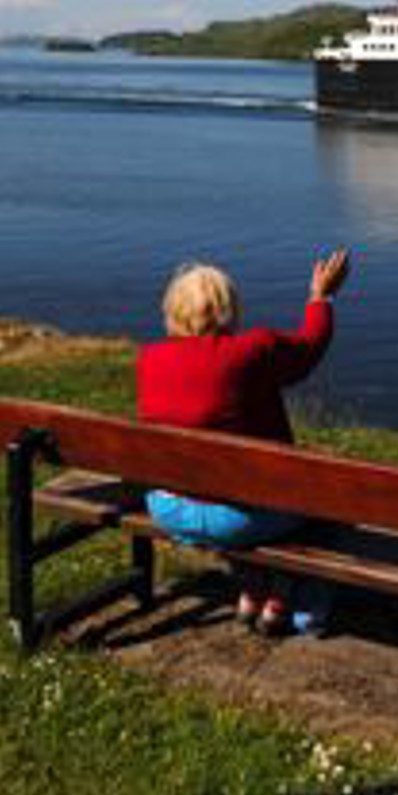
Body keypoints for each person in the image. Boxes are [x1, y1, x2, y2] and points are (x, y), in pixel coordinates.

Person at [137, 248, 350, 635]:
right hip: (236, 519)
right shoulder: (252, 351)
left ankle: (253, 585)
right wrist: (321, 297)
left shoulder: (150, 359)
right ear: (228, 308)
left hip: (167, 508)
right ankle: (293, 602)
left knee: (247, 492)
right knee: (330, 502)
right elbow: (310, 345)